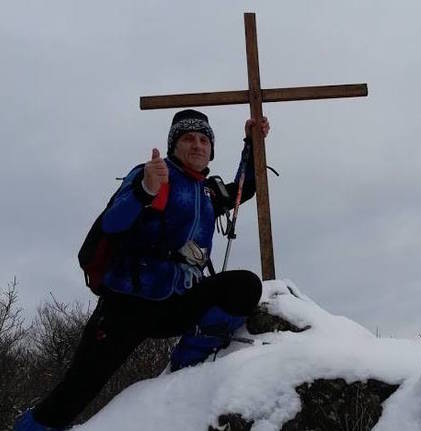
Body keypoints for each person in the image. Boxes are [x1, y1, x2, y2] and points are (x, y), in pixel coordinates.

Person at [14, 109, 270, 431]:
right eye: (188, 138)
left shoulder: (207, 191)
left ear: (211, 150)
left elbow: (245, 186)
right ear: (173, 145)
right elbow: (112, 222)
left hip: (178, 300)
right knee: (74, 393)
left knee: (243, 286)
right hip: (129, 305)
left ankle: (188, 363)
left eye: (204, 140)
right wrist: (145, 191)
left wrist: (252, 142)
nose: (197, 145)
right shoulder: (154, 174)